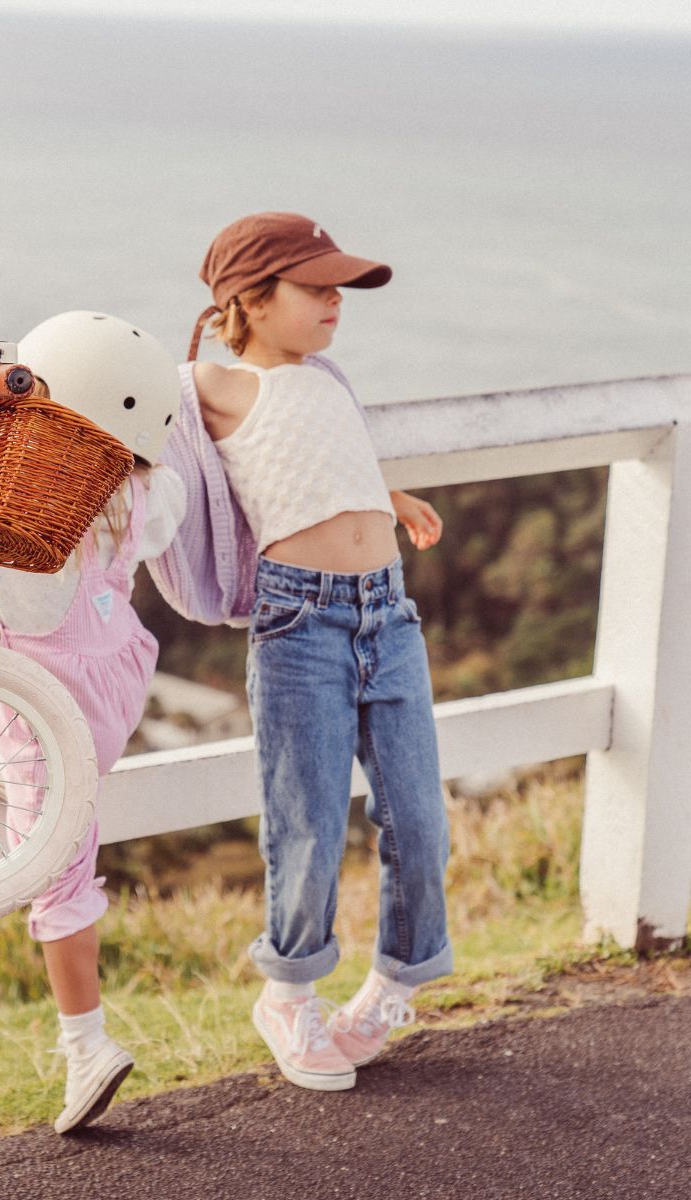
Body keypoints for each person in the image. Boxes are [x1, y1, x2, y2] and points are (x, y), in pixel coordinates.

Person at [0, 311, 186, 1132]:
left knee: (53, 862)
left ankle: (85, 1041)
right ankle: (80, 1037)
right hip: (114, 676)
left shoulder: (10, 486)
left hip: (32, 681)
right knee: (68, 838)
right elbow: (165, 520)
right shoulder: (147, 490)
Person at [179, 212, 450, 1092]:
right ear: (249, 302)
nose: (337, 300)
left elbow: (323, 461)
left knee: (417, 816)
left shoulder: (325, 377)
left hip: (388, 614)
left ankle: (393, 983)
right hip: (302, 626)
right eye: (316, 287)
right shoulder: (210, 382)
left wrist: (390, 496)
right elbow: (109, 390)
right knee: (307, 818)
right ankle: (290, 991)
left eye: (341, 286)